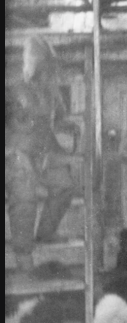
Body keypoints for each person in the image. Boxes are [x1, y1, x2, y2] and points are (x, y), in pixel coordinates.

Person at [5, 37, 80, 273]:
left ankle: (45, 233)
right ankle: (23, 254)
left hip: (46, 153)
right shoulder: (12, 89)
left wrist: (70, 127)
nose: (46, 72)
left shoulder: (52, 92)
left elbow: (59, 119)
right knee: (24, 198)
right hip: (17, 155)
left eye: (49, 66)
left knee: (65, 186)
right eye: (42, 65)